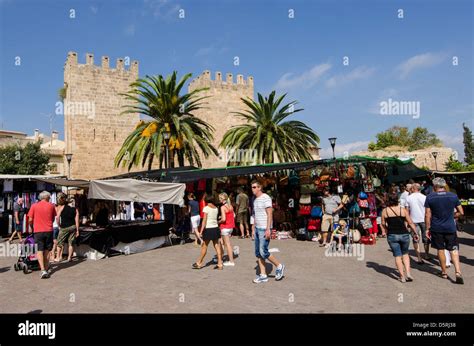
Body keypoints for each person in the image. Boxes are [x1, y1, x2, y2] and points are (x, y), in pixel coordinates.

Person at [425, 177, 464, 284]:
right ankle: (458, 272)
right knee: (454, 250)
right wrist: (453, 216)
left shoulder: (430, 197)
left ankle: (444, 272)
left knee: (440, 249)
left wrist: (427, 228)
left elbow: (428, 214)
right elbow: (461, 212)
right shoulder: (452, 195)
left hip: (436, 227)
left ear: (434, 186)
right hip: (450, 226)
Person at [251, 180, 285, 283]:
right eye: (252, 187)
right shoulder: (255, 200)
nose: (252, 189)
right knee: (258, 253)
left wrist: (268, 229)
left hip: (264, 229)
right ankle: (263, 275)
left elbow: (269, 214)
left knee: (263, 251)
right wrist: (253, 229)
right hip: (257, 228)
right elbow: (255, 215)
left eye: (254, 187)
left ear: (259, 188)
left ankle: (279, 265)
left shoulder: (266, 198)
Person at [380, 193, 419, 283]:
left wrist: (386, 229)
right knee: (405, 254)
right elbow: (410, 222)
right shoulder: (403, 210)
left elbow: (382, 223)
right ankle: (408, 273)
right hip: (404, 234)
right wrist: (415, 233)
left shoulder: (385, 211)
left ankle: (402, 276)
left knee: (397, 255)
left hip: (392, 235)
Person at [27, 191, 57, 279]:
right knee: (47, 249)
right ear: (47, 197)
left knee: (40, 249)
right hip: (48, 230)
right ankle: (46, 268)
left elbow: (30, 219)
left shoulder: (34, 205)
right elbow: (52, 218)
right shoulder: (51, 206)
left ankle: (43, 269)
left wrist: (30, 226)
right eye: (49, 197)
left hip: (38, 230)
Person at [192, 195, 223, 270]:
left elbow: (204, 221)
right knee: (217, 246)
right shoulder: (216, 208)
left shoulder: (206, 208)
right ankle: (220, 263)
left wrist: (201, 231)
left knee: (204, 246)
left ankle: (199, 263)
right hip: (215, 228)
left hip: (208, 229)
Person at [406, 183, 429, 263]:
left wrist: (407, 222)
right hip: (424, 219)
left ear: (413, 189)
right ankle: (426, 254)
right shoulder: (425, 197)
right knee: (426, 238)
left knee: (415, 238)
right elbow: (428, 210)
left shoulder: (408, 198)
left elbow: (407, 211)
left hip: (413, 221)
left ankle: (419, 257)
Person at [55, 193, 80, 263]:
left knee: (60, 242)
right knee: (71, 243)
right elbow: (77, 221)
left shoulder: (63, 207)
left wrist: (59, 225)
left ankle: (58, 257)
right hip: (73, 227)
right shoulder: (76, 209)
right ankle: (69, 257)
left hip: (64, 227)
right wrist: (77, 230)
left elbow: (57, 217)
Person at [218, 192, 236, 266]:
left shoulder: (222, 207)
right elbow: (234, 215)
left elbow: (223, 219)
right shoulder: (230, 206)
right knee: (223, 243)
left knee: (226, 244)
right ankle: (221, 257)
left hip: (225, 227)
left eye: (219, 198)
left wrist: (218, 221)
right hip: (231, 227)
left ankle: (231, 261)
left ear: (222, 199)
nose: (219, 200)